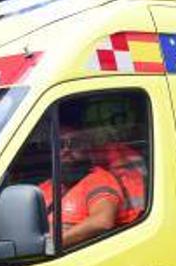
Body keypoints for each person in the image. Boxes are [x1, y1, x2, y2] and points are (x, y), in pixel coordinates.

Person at [39, 106, 125, 249]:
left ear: (86, 148)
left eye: (74, 144)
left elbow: (102, 221)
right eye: (60, 145)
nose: (66, 150)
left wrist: (49, 246)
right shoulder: (45, 187)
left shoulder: (97, 179)